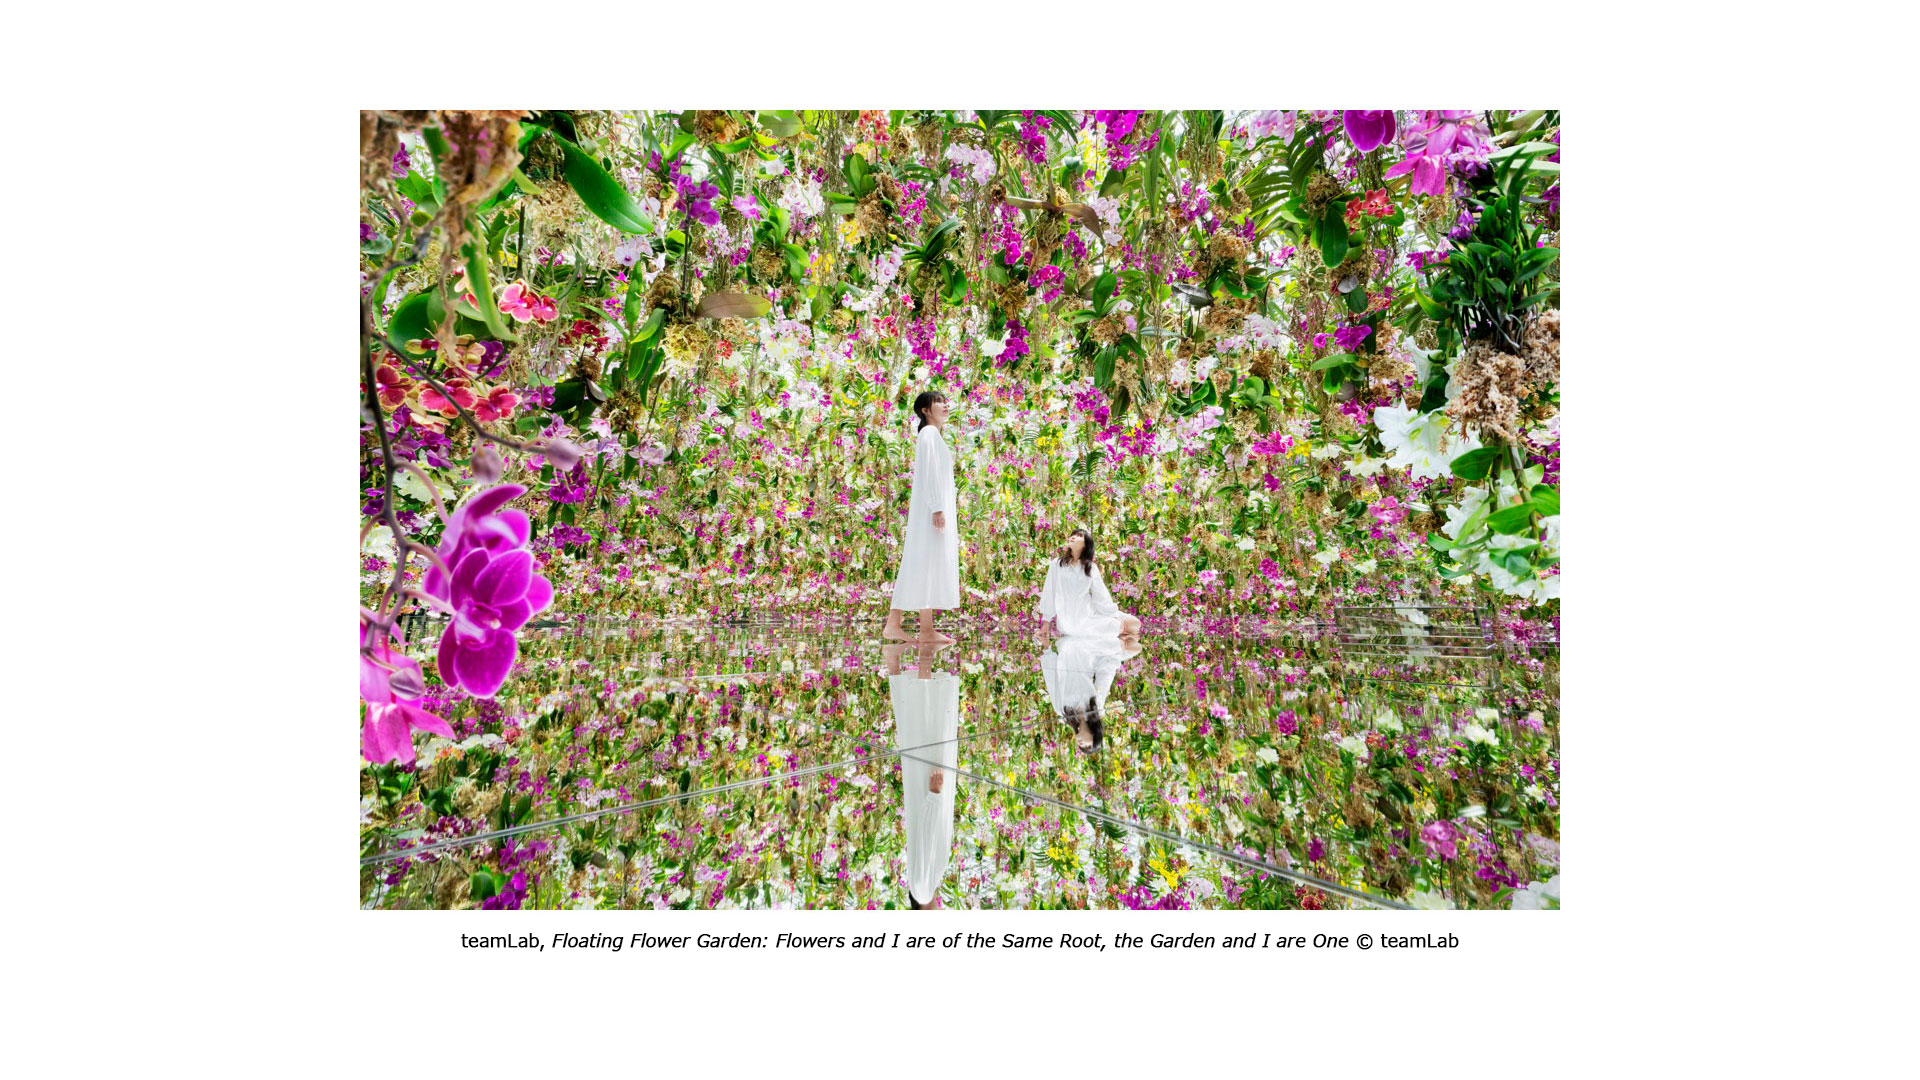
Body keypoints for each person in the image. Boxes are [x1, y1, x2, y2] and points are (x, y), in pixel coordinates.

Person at [885, 644, 959, 910]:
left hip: (930, 793)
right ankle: (895, 662)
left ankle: (924, 654)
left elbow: (926, 840)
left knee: (928, 728)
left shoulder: (923, 890)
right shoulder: (924, 888)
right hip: (928, 796)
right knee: (917, 730)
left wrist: (933, 795)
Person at [884, 391, 960, 643]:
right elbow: (930, 473)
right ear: (926, 410)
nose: (945, 405)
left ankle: (925, 629)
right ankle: (894, 623)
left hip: (932, 509)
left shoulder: (934, 436)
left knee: (926, 563)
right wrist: (937, 507)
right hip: (931, 510)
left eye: (944, 400)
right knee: (920, 561)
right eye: (938, 401)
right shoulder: (928, 434)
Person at [1040, 633, 1140, 753]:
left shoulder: (1063, 712)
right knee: (1134, 645)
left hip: (1066, 649)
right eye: (1087, 746)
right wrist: (1117, 651)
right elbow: (1105, 676)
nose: (1081, 745)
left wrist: (1047, 649)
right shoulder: (1096, 707)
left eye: (1081, 747)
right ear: (1094, 735)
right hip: (1086, 652)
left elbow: (1052, 682)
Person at [1036, 528, 1142, 639]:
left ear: (1085, 545)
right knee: (1117, 627)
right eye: (1072, 535)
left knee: (1134, 623)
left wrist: (1113, 614)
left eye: (1078, 536)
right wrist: (1045, 624)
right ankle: (1117, 632)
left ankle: (1118, 629)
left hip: (1090, 613)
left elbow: (1100, 594)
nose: (1073, 537)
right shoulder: (1057, 564)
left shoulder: (1090, 567)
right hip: (1069, 621)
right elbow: (1050, 592)